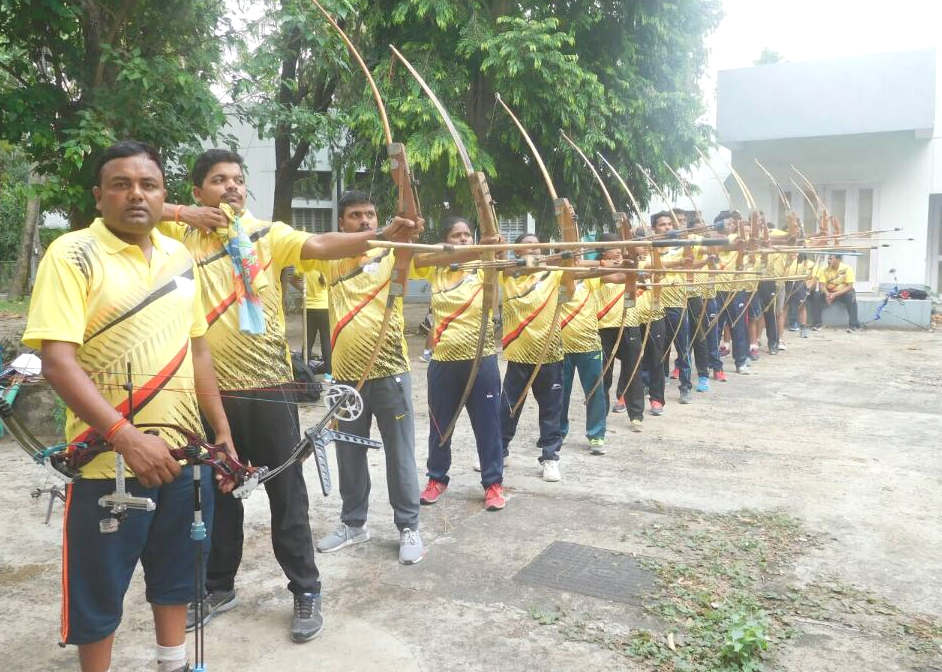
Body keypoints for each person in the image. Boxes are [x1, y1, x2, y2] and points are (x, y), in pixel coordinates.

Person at [162, 152, 417, 639]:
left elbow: (320, 243)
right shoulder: (180, 235)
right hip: (210, 391)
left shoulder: (266, 234)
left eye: (238, 180)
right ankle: (218, 586)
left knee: (287, 496)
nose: (232, 187)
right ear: (198, 192)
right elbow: (131, 212)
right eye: (218, 180)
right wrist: (182, 213)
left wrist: (381, 235)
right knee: (218, 496)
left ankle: (305, 590)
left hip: (271, 389)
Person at [22, 140, 234, 672]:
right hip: (105, 462)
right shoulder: (72, 254)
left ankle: (173, 663)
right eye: (121, 185)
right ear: (99, 196)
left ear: (164, 196)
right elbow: (57, 362)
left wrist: (221, 430)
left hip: (183, 455)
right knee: (98, 593)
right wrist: (125, 437)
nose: (136, 195)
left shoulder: (179, 256)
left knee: (177, 575)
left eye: (148, 185)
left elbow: (198, 348)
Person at [305, 190, 426, 564]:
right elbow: (309, 248)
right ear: (342, 223)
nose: (365, 221)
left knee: (400, 453)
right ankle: (353, 523)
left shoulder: (392, 253)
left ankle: (408, 526)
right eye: (356, 215)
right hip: (346, 378)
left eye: (370, 214)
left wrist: (408, 235)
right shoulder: (330, 259)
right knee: (349, 452)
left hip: (390, 372)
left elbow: (435, 258)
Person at [411, 216, 505, 510]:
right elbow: (415, 258)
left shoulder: (484, 265)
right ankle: (436, 478)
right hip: (444, 360)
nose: (464, 239)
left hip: (482, 359)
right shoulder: (436, 268)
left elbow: (506, 261)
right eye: (456, 235)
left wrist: (492, 248)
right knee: (440, 426)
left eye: (467, 235)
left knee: (489, 425)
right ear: (445, 241)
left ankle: (493, 484)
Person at [499, 233, 565, 482]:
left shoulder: (553, 273)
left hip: (550, 354)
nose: (533, 250)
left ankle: (550, 458)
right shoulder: (507, 275)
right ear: (516, 252)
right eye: (526, 247)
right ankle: (500, 451)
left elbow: (575, 265)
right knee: (508, 408)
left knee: (551, 410)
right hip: (518, 354)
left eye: (538, 247)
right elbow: (497, 261)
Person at [594, 234, 644, 431]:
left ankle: (636, 415)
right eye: (613, 249)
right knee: (603, 374)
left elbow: (633, 276)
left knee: (633, 371)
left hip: (628, 324)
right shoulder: (595, 269)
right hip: (603, 327)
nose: (617, 252)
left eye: (619, 249)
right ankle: (601, 416)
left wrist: (632, 263)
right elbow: (616, 277)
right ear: (603, 252)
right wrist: (625, 266)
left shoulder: (627, 264)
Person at [651, 212, 692, 403]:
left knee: (682, 348)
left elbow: (690, 260)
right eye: (662, 225)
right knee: (657, 350)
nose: (667, 227)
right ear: (654, 229)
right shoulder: (650, 249)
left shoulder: (680, 247)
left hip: (676, 305)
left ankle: (685, 386)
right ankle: (656, 383)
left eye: (669, 224)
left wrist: (686, 239)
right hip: (655, 307)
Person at [292, 267, 331, 371]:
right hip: (324, 307)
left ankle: (305, 371)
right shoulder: (326, 265)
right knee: (326, 340)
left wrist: (303, 289)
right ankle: (328, 372)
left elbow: (293, 279)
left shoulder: (304, 264)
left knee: (308, 340)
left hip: (308, 307)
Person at [816, 254, 860, 331]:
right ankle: (818, 324)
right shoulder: (824, 270)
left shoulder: (847, 268)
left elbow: (850, 286)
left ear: (838, 260)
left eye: (831, 259)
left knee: (851, 296)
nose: (828, 261)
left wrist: (835, 294)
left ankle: (853, 325)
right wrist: (827, 294)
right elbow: (821, 285)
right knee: (816, 296)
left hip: (842, 292)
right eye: (828, 259)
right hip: (829, 292)